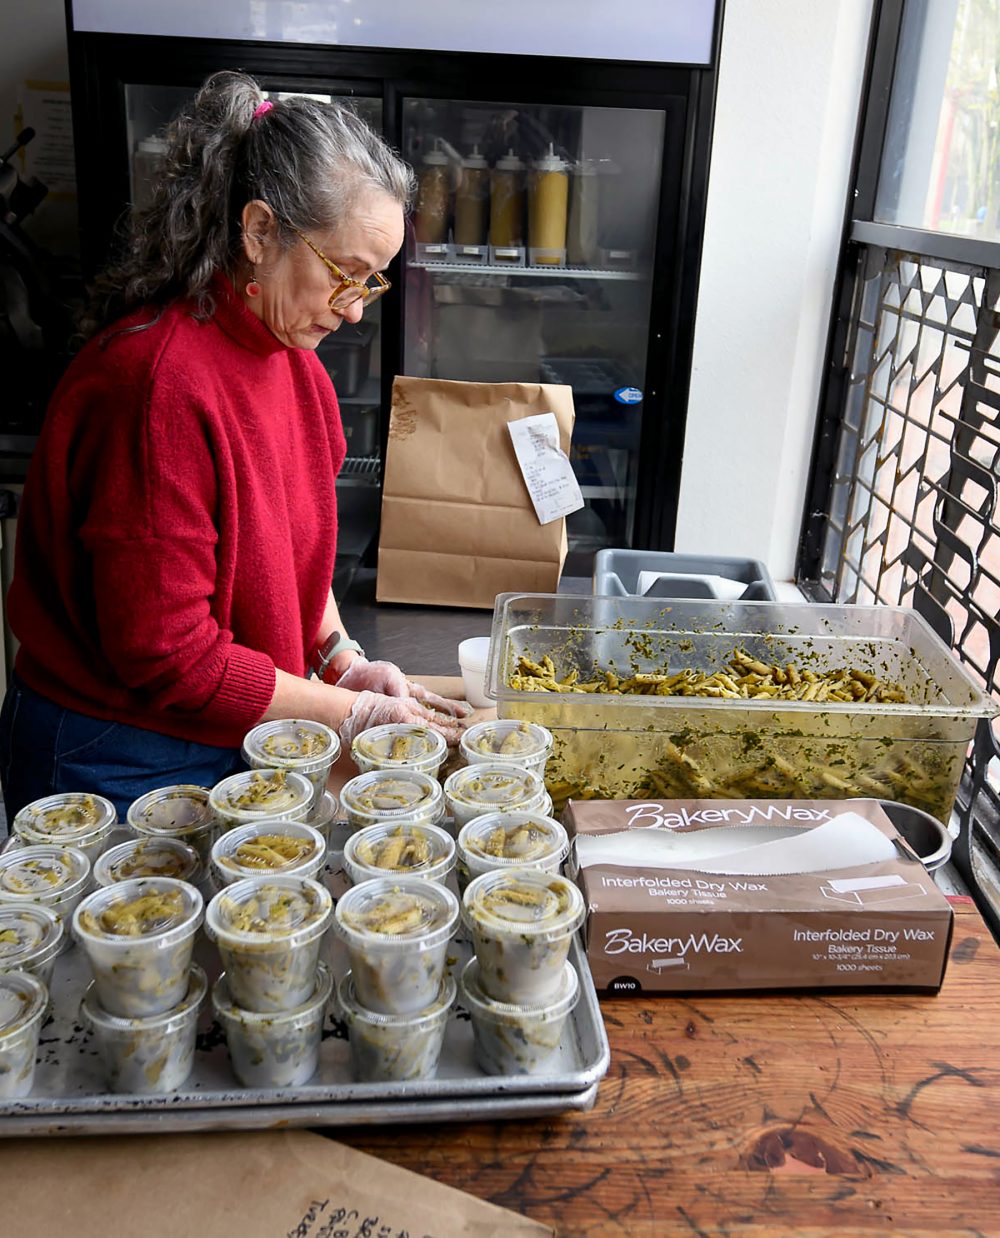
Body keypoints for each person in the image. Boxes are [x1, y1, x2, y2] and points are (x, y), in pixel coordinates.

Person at [0, 71, 467, 822]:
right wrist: (345, 717)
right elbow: (169, 655)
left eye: (370, 284)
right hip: (114, 750)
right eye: (344, 275)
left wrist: (342, 660)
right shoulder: (156, 386)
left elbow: (291, 568)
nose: (352, 312)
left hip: (228, 724)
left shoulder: (300, 373)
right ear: (258, 232)